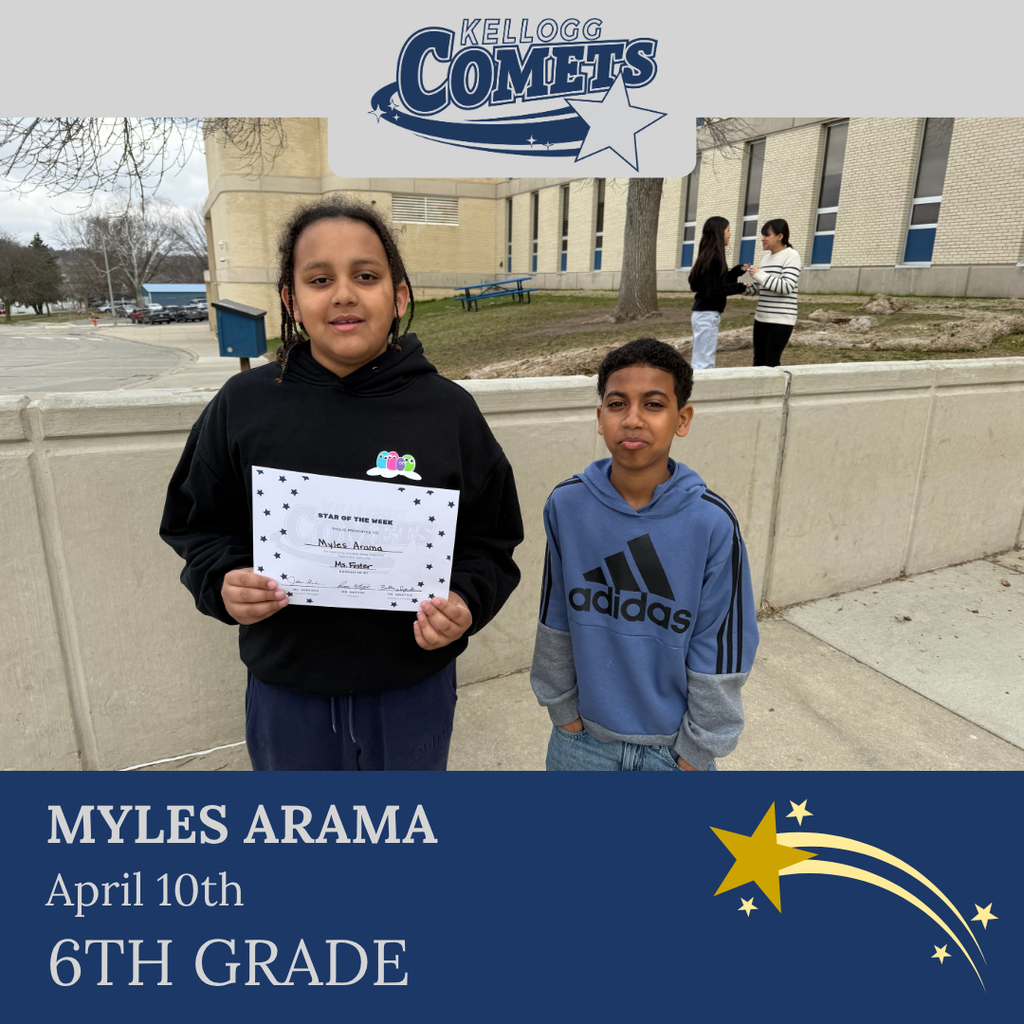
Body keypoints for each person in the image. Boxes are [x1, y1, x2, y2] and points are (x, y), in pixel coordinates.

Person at [160, 198, 524, 771]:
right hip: (288, 690)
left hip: (412, 689)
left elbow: (490, 541)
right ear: (292, 301)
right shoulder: (243, 405)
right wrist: (222, 583)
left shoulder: (448, 413)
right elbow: (198, 524)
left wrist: (466, 602)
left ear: (399, 295)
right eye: (320, 279)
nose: (344, 294)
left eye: (366, 275)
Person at [530, 338, 758, 771]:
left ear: (682, 419)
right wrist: (564, 714)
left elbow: (722, 644)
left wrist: (697, 751)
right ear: (600, 418)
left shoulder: (711, 523)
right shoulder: (567, 505)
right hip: (581, 743)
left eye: (653, 405)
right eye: (617, 404)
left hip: (673, 753)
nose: (632, 419)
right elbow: (554, 614)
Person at [688, 216, 750, 370]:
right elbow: (713, 291)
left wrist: (734, 273)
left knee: (700, 360)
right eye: (728, 230)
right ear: (718, 233)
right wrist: (741, 287)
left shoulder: (706, 256)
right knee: (704, 364)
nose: (730, 234)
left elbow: (700, 284)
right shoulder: (714, 258)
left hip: (702, 314)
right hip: (707, 316)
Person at [747, 218, 801, 367]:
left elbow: (786, 287)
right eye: (762, 235)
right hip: (761, 318)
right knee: (758, 362)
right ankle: (757, 391)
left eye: (766, 235)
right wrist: (738, 287)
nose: (762, 239)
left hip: (781, 321)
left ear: (780, 236)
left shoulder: (792, 256)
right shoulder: (766, 258)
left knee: (771, 363)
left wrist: (759, 274)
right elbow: (760, 287)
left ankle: (772, 391)